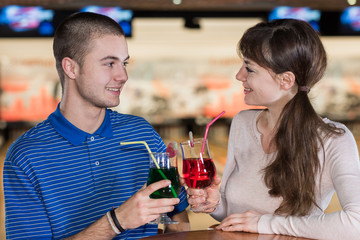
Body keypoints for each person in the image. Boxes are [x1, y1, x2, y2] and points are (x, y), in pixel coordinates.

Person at [3, 12, 189, 240]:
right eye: (109, 63)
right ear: (71, 68)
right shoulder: (25, 157)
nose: (123, 75)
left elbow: (177, 215)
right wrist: (116, 221)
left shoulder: (142, 133)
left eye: (124, 63)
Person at [187, 19, 360, 239]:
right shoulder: (242, 123)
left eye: (249, 68)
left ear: (286, 80)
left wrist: (266, 223)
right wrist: (215, 203)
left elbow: (356, 223)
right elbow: (238, 218)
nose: (239, 75)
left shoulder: (333, 140)